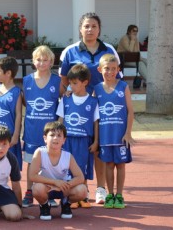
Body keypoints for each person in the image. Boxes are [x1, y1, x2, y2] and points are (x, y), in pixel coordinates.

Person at [59, 12, 121, 204]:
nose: (90, 30)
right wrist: (67, 95)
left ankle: (101, 188)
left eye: (94, 26)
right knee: (80, 148)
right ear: (80, 29)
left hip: (103, 106)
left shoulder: (108, 49)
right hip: (78, 107)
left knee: (99, 147)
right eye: (86, 26)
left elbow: (117, 79)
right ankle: (80, 188)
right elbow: (63, 81)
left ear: (99, 29)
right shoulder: (70, 51)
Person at [21, 46, 62, 208]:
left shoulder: (56, 81)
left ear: (51, 62)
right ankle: (29, 191)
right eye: (38, 59)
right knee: (32, 161)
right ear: (33, 61)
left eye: (45, 60)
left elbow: (63, 99)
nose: (42, 62)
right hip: (32, 128)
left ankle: (48, 192)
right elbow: (25, 102)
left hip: (50, 131)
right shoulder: (27, 80)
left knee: (48, 161)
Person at [94, 54, 136, 209]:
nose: (110, 72)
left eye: (113, 69)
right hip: (105, 136)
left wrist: (128, 133)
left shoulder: (123, 86)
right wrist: (97, 139)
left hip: (120, 136)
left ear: (118, 69)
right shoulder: (97, 89)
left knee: (120, 165)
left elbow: (130, 111)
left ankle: (119, 195)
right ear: (100, 69)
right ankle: (110, 194)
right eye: (106, 69)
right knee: (109, 165)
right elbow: (95, 117)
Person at [56, 63, 99, 209]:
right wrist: (59, 139)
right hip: (68, 141)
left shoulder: (93, 102)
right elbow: (60, 121)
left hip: (84, 141)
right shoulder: (66, 100)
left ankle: (83, 196)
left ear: (85, 82)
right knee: (67, 170)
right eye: (70, 83)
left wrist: (96, 141)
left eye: (74, 83)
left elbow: (95, 123)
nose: (71, 87)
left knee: (82, 169)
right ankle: (68, 197)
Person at [28, 121, 88, 221]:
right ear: (45, 138)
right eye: (52, 135)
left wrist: (64, 185)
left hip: (63, 189)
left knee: (82, 190)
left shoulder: (68, 156)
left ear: (64, 140)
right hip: (47, 188)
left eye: (59, 135)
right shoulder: (39, 153)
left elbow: (80, 177)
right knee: (36, 189)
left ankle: (66, 204)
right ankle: (44, 205)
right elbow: (32, 176)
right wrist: (55, 183)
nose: (55, 138)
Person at [0, 56, 23, 169]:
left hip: (8, 137)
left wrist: (16, 135)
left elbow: (18, 115)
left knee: (10, 167)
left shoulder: (16, 92)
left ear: (8, 73)